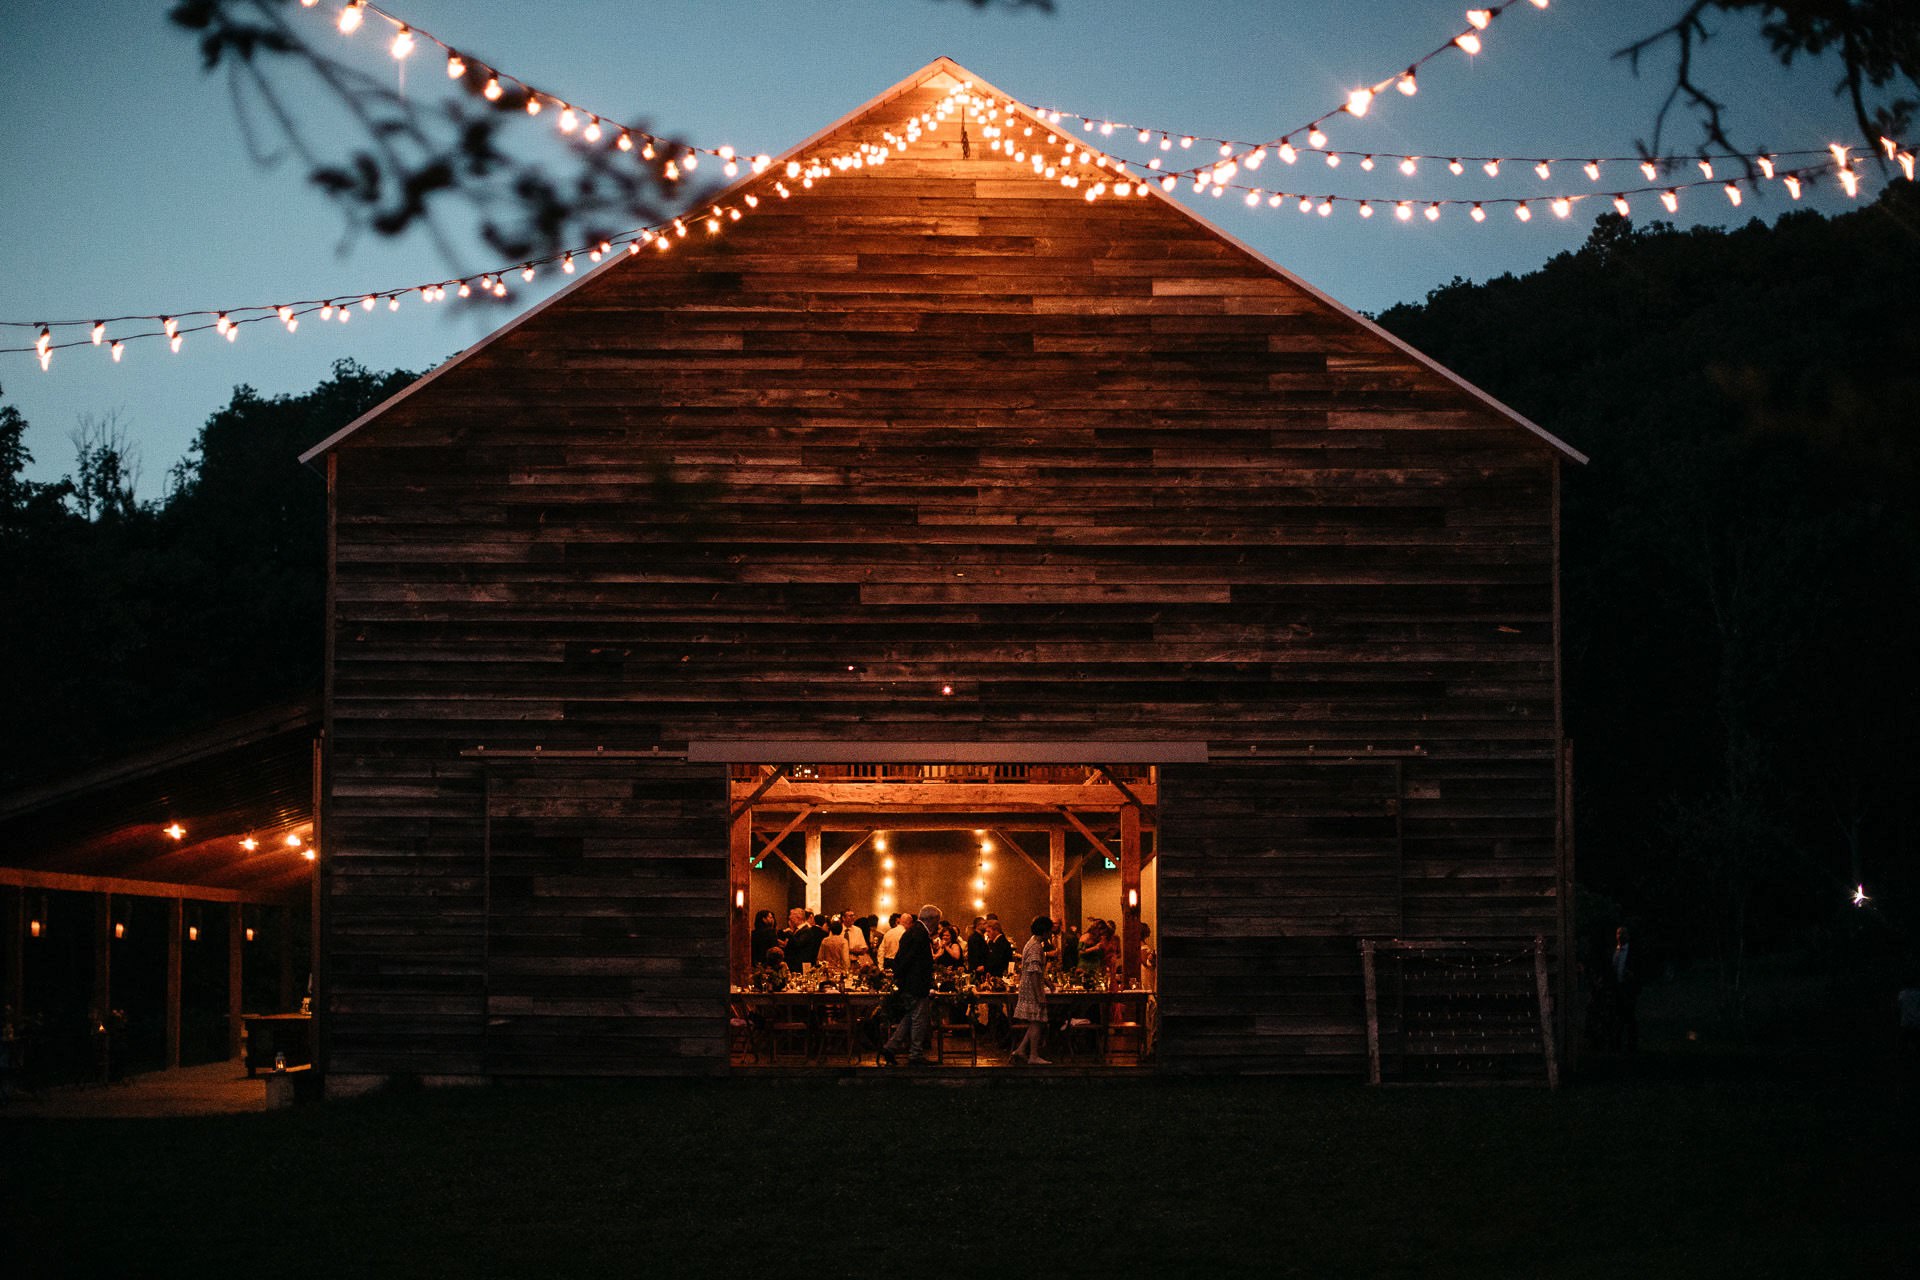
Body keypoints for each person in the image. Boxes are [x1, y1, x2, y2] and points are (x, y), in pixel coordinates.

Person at [883, 905, 939, 1065]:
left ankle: (891, 1046)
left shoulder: (912, 932)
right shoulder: (920, 935)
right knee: (918, 1019)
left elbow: (902, 959)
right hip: (916, 984)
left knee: (911, 1016)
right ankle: (915, 1054)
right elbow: (912, 960)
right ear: (931, 920)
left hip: (909, 983)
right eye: (937, 921)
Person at [1010, 916, 1053, 1065]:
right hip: (1031, 988)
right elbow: (1034, 972)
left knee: (1035, 1021)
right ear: (1045, 931)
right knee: (1037, 1021)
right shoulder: (1036, 947)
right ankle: (1033, 1056)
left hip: (1027, 986)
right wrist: (1039, 994)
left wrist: (1048, 982)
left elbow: (1036, 969)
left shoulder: (1031, 943)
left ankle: (1021, 1050)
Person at [1610, 925, 1644, 1053]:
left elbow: (1639, 969)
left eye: (1623, 934)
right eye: (1618, 933)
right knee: (1618, 1015)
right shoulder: (1615, 951)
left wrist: (1632, 976)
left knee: (1629, 1015)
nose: (1620, 936)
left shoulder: (1632, 952)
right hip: (1617, 988)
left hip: (1628, 988)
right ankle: (1617, 1043)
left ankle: (1631, 1043)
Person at [1139, 922, 1158, 993]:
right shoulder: (1143, 948)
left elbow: (1147, 962)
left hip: (1146, 975)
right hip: (1146, 975)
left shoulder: (1143, 948)